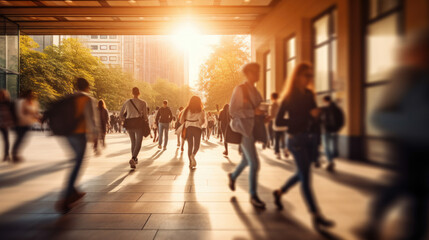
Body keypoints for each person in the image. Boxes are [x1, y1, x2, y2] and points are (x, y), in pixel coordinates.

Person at [360, 29, 429, 240]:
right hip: (407, 144)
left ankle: (414, 233)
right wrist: (414, 124)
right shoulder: (404, 78)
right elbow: (377, 116)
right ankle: (375, 219)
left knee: (421, 193)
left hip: (424, 145)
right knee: (404, 185)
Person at [272, 62, 334, 231]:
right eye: (307, 75)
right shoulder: (289, 97)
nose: (309, 79)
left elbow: (312, 118)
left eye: (311, 76)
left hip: (308, 138)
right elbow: (278, 122)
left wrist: (315, 116)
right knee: (306, 178)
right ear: (297, 76)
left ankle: (279, 192)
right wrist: (302, 117)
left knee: (302, 173)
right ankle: (316, 215)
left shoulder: (309, 94)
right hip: (295, 140)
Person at [56, 78, 99, 213]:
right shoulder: (87, 99)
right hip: (79, 134)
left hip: (67, 134)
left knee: (75, 160)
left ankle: (73, 191)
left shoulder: (69, 97)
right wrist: (96, 137)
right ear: (87, 87)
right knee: (78, 163)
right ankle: (66, 196)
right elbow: (91, 119)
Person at [227, 63, 266, 209]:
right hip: (244, 130)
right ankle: (253, 195)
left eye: (259, 71)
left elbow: (258, 110)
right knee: (255, 163)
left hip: (253, 129)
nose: (258, 74)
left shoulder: (256, 91)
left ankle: (232, 176)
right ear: (248, 73)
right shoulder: (240, 89)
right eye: (256, 71)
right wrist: (252, 113)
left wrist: (263, 116)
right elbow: (233, 111)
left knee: (245, 160)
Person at [120, 87, 148, 169]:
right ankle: (133, 158)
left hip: (129, 123)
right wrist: (144, 119)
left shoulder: (127, 102)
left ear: (132, 93)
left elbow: (121, 114)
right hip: (138, 123)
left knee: (133, 142)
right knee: (139, 142)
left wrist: (125, 119)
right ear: (139, 93)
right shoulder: (143, 103)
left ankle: (134, 161)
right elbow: (145, 116)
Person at [13, 90, 41, 163]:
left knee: (22, 139)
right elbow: (19, 114)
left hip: (28, 124)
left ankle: (16, 154)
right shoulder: (21, 102)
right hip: (19, 124)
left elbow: (36, 113)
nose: (32, 96)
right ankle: (15, 154)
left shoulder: (35, 103)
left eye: (33, 95)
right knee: (19, 139)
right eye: (30, 94)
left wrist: (39, 119)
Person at [180, 96, 206, 169]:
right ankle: (193, 155)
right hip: (197, 128)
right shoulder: (200, 110)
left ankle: (190, 163)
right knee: (197, 145)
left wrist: (187, 121)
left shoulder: (186, 109)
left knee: (190, 146)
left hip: (188, 128)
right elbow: (201, 122)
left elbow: (181, 120)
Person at [320, 96, 340, 171]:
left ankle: (330, 161)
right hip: (334, 131)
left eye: (323, 101)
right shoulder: (337, 109)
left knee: (327, 147)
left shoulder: (325, 109)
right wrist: (337, 128)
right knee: (332, 146)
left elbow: (322, 120)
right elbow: (342, 119)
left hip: (326, 131)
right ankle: (331, 160)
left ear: (325, 101)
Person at [269, 92, 289, 160]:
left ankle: (278, 153)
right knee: (283, 139)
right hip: (283, 125)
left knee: (277, 140)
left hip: (276, 125)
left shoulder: (273, 105)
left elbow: (271, 115)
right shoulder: (282, 103)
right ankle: (285, 150)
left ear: (272, 98)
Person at [0, 89, 14, 162]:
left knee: (6, 140)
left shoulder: (8, 103)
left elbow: (12, 113)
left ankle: (6, 155)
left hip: (4, 124)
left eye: (3, 94)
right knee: (6, 140)